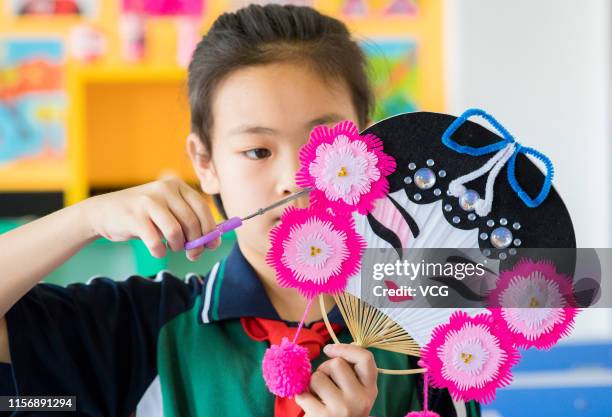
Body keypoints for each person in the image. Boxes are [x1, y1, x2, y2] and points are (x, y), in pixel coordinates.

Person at [0, 4, 480, 416]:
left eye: (325, 141)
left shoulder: (428, 332)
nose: (296, 178)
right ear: (205, 164)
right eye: (257, 151)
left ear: (370, 149)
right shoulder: (142, 327)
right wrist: (84, 219)